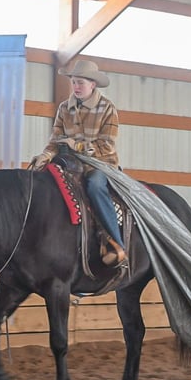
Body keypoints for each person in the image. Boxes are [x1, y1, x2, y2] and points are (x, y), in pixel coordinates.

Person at [30, 60, 126, 266]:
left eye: (80, 82)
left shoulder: (107, 108)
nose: (76, 87)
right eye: (73, 82)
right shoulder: (64, 108)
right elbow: (55, 140)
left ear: (93, 84)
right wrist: (45, 156)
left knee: (95, 186)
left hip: (100, 164)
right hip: (71, 163)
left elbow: (107, 145)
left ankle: (117, 245)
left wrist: (78, 146)